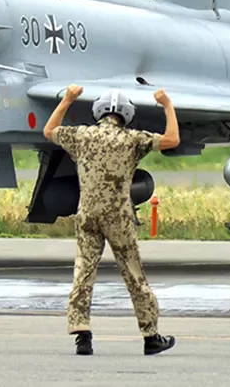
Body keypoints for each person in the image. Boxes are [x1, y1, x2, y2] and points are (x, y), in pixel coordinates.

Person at [43, 85, 181, 356]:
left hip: (87, 215)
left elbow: (49, 131)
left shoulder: (82, 135)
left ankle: (82, 334)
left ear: (97, 112)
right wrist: (167, 104)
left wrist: (68, 100)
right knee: (133, 274)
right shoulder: (133, 139)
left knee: (83, 272)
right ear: (127, 114)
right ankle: (151, 337)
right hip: (119, 218)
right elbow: (172, 139)